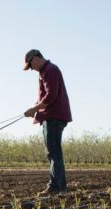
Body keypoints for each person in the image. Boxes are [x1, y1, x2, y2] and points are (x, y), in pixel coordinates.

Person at [22, 49, 72, 195]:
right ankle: (57, 186)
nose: (32, 69)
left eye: (31, 65)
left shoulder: (51, 70)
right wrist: (34, 109)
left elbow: (50, 97)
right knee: (52, 152)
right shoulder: (44, 72)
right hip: (50, 116)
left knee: (54, 152)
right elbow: (44, 97)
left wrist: (34, 109)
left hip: (54, 116)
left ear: (36, 58)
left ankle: (57, 187)